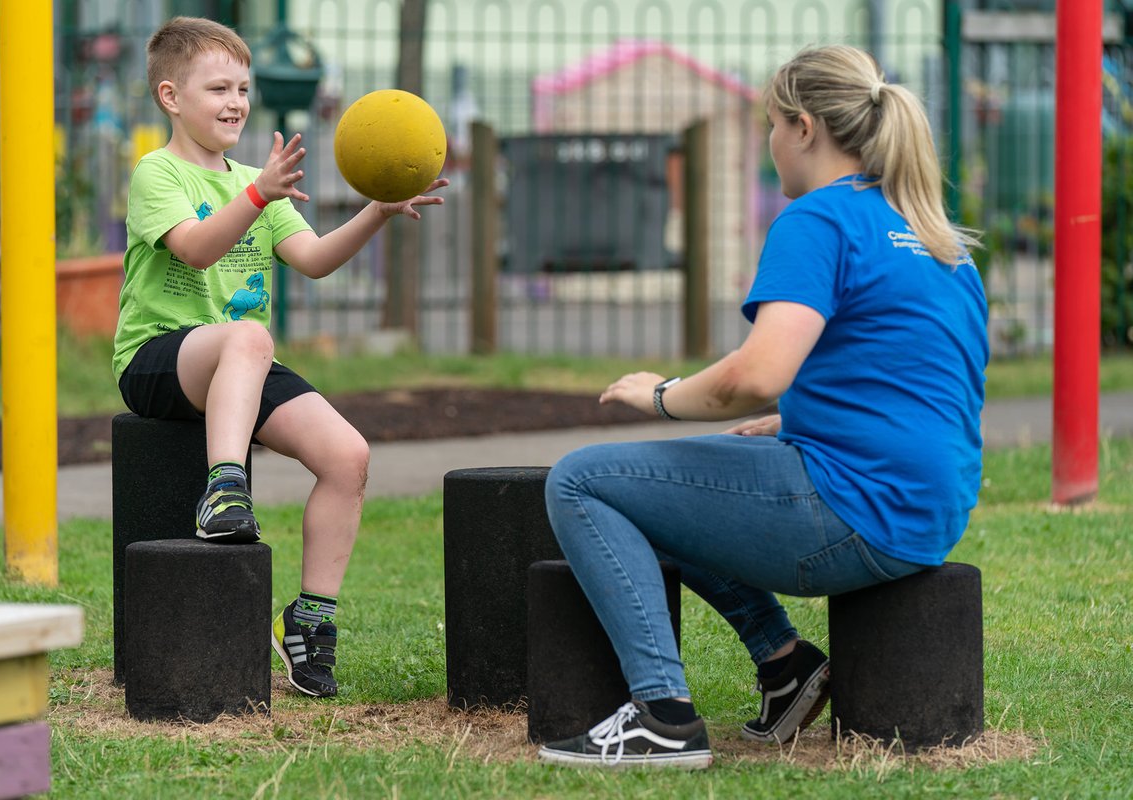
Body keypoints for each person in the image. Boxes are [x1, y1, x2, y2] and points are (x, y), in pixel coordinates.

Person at [536, 44, 988, 769]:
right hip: (929, 514)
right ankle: (784, 667)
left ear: (803, 128)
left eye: (770, 126)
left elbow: (755, 374)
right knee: (661, 486)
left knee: (584, 480)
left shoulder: (819, 221)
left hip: (854, 512)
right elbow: (929, 377)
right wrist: (805, 416)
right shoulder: (936, 238)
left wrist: (659, 396)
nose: (768, 143)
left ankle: (662, 717)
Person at [112, 16, 447, 699]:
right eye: (217, 89)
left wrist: (376, 212)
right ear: (171, 97)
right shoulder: (158, 172)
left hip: (239, 361)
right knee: (250, 337)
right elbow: (198, 248)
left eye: (243, 87)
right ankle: (225, 488)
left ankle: (310, 619)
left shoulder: (253, 180)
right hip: (157, 358)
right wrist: (258, 193)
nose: (235, 101)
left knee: (347, 456)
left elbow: (315, 259)